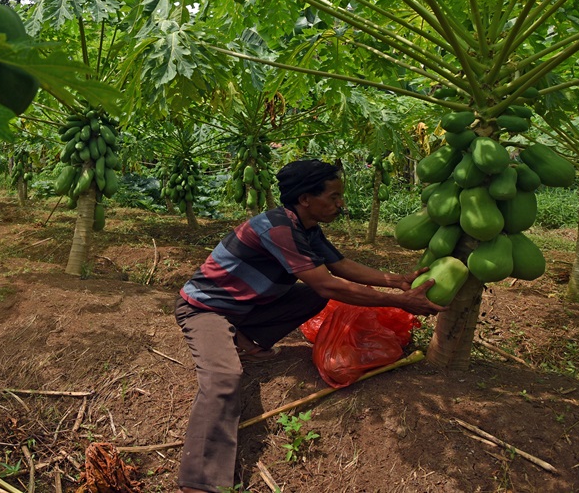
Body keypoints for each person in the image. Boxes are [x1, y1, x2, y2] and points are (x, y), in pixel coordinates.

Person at [174, 158, 446, 493]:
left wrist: (397, 281)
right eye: (333, 196)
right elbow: (329, 284)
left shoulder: (306, 228)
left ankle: (246, 338)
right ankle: (200, 482)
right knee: (224, 378)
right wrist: (401, 302)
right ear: (305, 198)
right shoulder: (277, 228)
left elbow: (340, 265)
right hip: (206, 309)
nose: (340, 203)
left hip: (245, 308)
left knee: (310, 298)